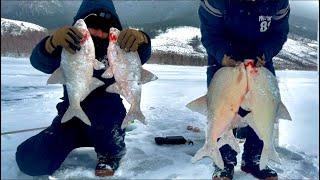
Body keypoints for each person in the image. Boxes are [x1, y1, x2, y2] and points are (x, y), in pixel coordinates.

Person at [15, 0, 151, 177]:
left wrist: (143, 40)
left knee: (106, 123)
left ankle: (111, 154)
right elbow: (39, 62)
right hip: (72, 121)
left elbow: (140, 56)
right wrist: (51, 44)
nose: (100, 33)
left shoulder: (118, 51)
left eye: (105, 29)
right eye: (93, 27)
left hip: (108, 126)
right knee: (31, 160)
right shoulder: (70, 48)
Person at [198, 0, 289, 179]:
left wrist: (264, 53)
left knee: (264, 107)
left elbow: (279, 34)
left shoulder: (279, 2)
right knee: (222, 109)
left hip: (259, 61)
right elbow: (210, 34)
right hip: (224, 60)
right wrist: (223, 55)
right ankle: (223, 162)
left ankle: (254, 160)